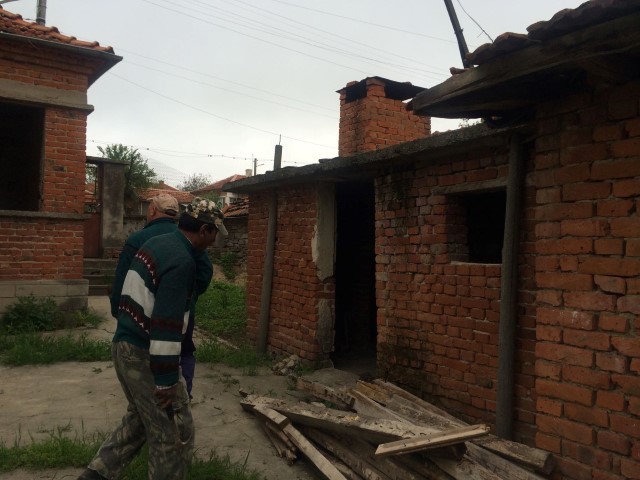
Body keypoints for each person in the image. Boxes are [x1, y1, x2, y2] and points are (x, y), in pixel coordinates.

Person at [78, 198, 227, 480]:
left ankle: (95, 475)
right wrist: (167, 380)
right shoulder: (182, 261)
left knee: (140, 420)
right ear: (204, 230)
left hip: (124, 345)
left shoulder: (158, 243)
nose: (214, 240)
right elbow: (165, 324)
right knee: (174, 433)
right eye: (214, 233)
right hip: (143, 352)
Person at [110, 193, 214, 398]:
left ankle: (167, 395)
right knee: (183, 351)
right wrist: (188, 297)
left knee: (150, 370)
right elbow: (205, 272)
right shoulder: (187, 239)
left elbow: (122, 282)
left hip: (142, 318)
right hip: (179, 316)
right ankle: (182, 394)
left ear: (151, 210)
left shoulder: (139, 239)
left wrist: (120, 312)